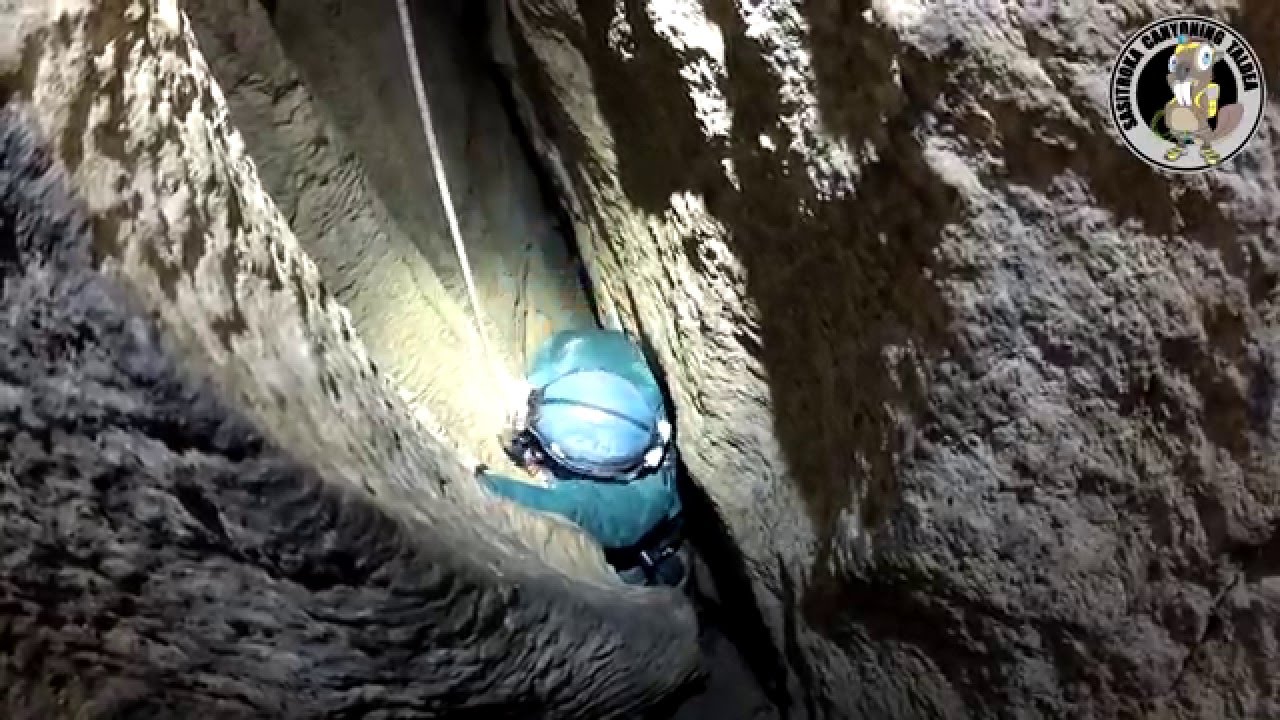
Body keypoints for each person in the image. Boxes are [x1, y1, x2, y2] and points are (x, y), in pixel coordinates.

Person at [475, 328, 686, 587]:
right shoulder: (607, 360)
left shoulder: (631, 508)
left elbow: (570, 511)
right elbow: (566, 350)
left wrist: (478, 485)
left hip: (646, 544)